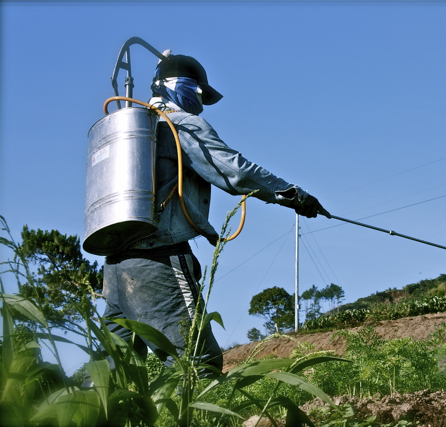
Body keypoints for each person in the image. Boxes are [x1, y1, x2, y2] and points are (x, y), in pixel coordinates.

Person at [100, 52, 329, 375]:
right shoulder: (179, 124)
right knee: (197, 364)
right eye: (198, 92)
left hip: (115, 266)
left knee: (113, 372)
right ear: (179, 87)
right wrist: (294, 195)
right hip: (157, 258)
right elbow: (233, 170)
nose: (201, 102)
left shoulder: (138, 124)